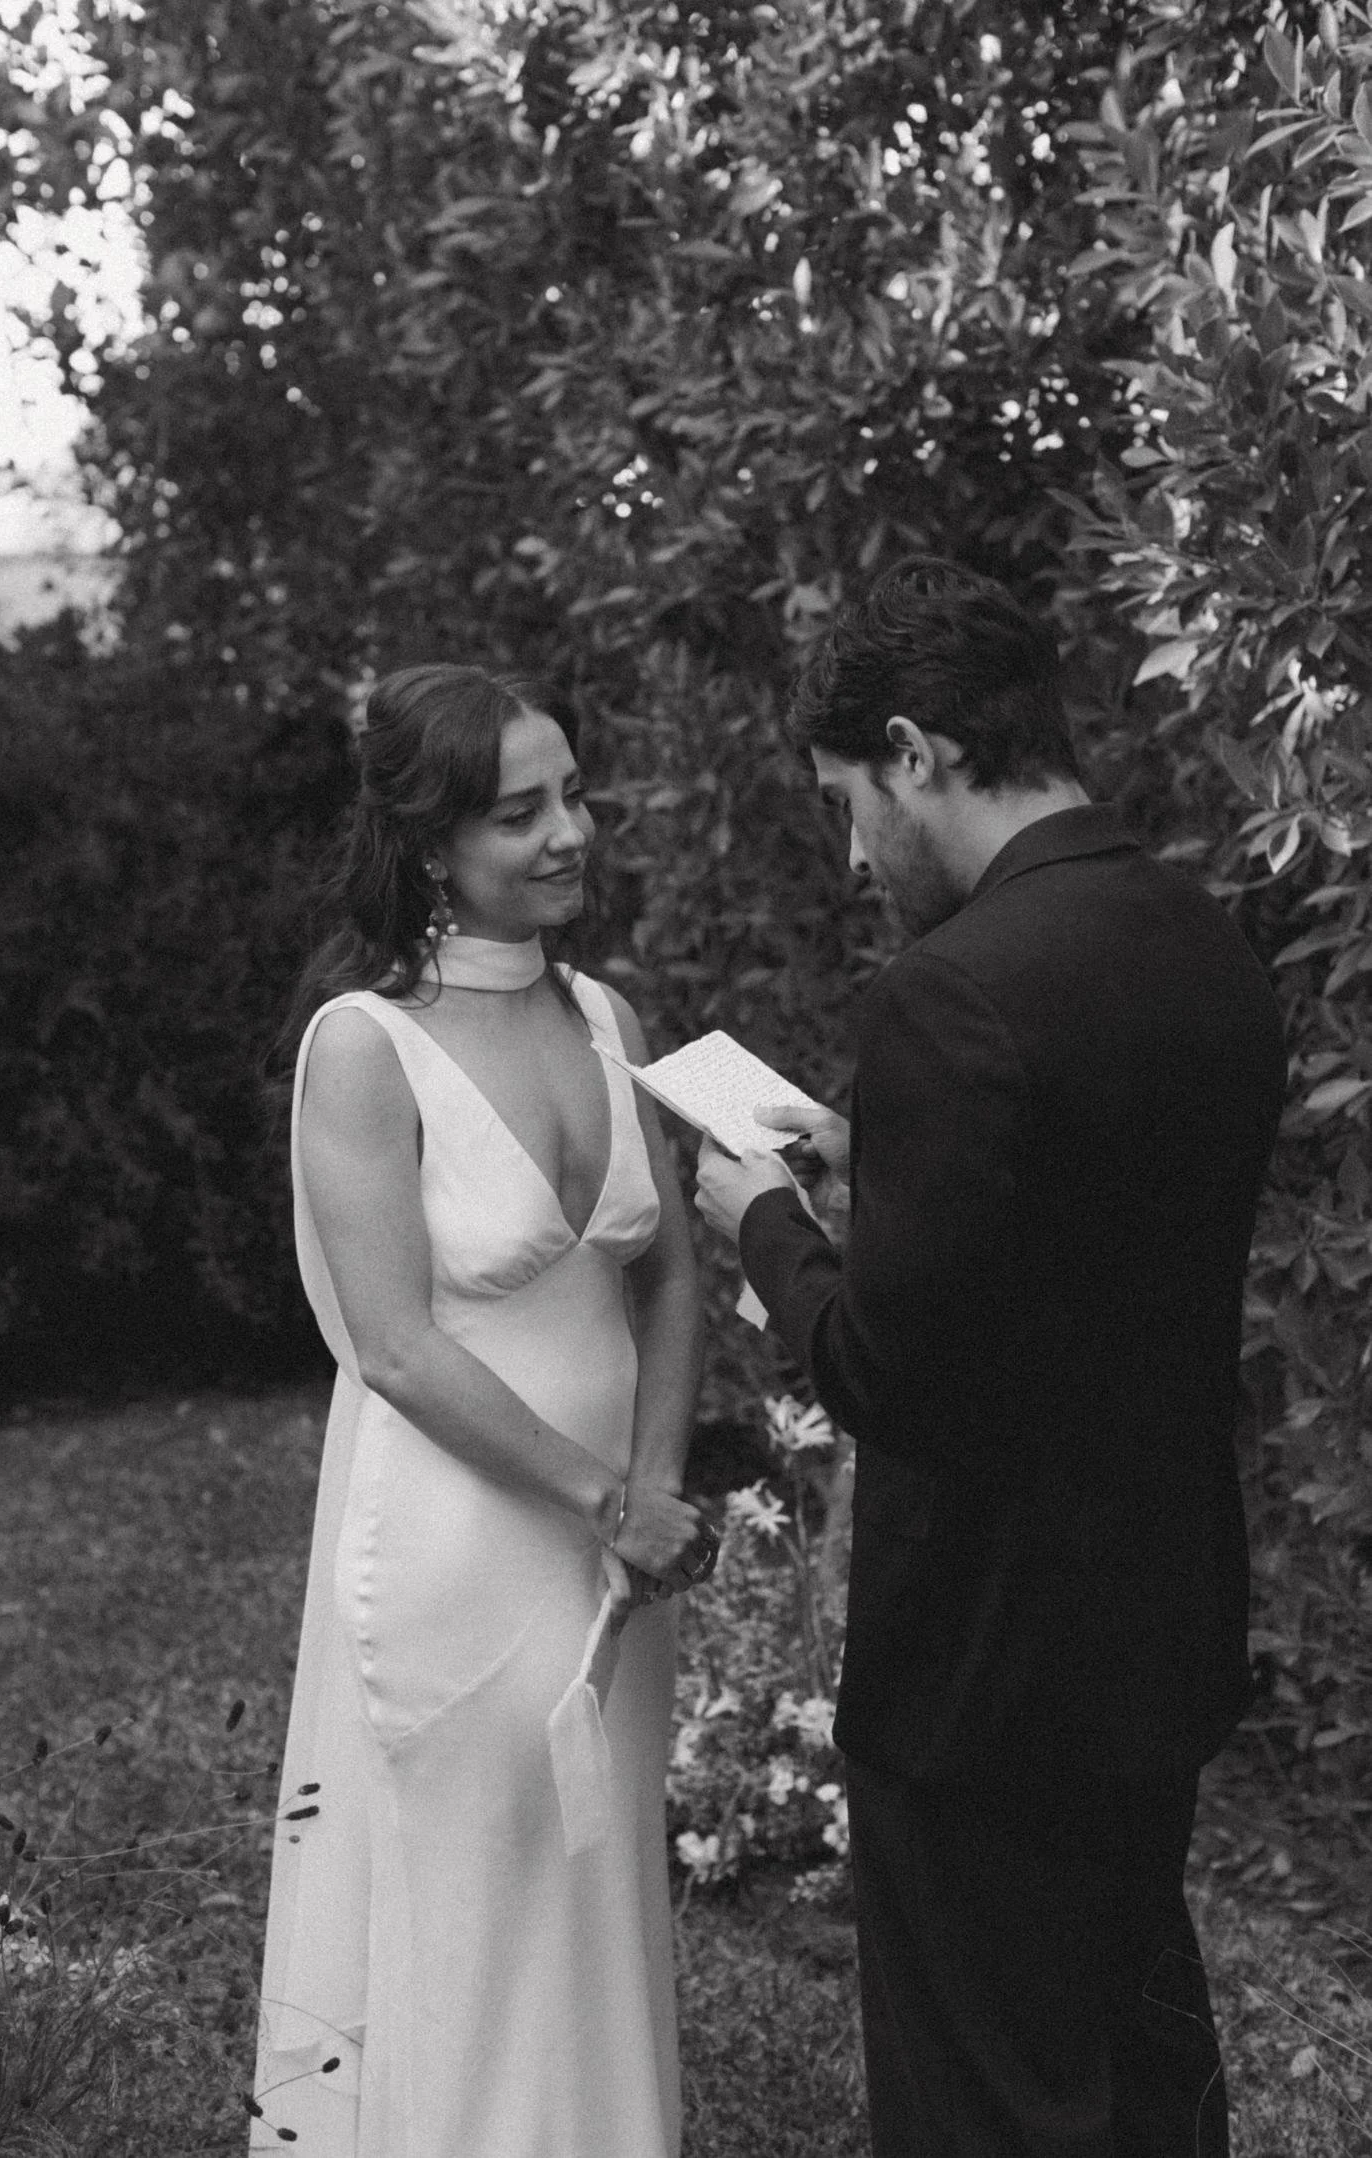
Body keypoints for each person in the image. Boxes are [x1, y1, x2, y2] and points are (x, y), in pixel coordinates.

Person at [695, 557, 1287, 2158]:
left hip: (980, 1675)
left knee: (987, 2107)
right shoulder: (1199, 937)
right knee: (1140, 2079)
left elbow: (887, 1372)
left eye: (844, 800)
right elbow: (1090, 1241)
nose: (850, 847)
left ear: (914, 750)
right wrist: (871, 1159)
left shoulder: (948, 989)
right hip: (1151, 1633)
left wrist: (763, 1221)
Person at [250, 663, 711, 2157]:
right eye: (524, 812)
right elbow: (393, 1345)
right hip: (461, 1544)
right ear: (430, 843)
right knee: (467, 1900)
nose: (571, 830)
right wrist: (602, 1494)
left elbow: (671, 1276)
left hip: (614, 1553)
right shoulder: (361, 1049)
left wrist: (655, 1492)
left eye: (572, 793)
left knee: (592, 1895)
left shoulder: (607, 1015)